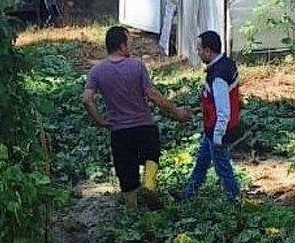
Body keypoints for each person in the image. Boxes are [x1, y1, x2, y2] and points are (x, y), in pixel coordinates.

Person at [82, 26, 191, 210]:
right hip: (144, 126)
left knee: (126, 171)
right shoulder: (136, 66)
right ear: (122, 46)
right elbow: (152, 95)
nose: (131, 46)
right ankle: (149, 186)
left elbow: (86, 99)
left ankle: (132, 211)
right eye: (129, 42)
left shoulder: (97, 71)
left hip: (119, 131)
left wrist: (99, 121)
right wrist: (176, 112)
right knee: (151, 155)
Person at [175, 30, 243, 201]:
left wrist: (218, 136)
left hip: (217, 131)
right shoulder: (227, 64)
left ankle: (234, 201)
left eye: (199, 49)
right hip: (212, 129)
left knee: (223, 169)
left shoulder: (218, 77)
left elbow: (223, 110)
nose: (197, 53)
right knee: (202, 161)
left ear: (208, 51)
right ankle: (188, 193)